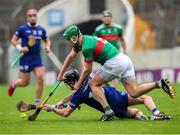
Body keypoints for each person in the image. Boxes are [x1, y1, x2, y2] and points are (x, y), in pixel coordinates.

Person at [57, 25, 175, 121]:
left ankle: (108, 111)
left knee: (93, 84)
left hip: (114, 62)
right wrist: (61, 73)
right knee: (133, 92)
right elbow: (70, 57)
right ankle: (159, 83)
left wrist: (78, 84)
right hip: (124, 60)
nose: (69, 43)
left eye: (69, 40)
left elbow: (87, 70)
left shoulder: (86, 47)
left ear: (74, 38)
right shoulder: (84, 40)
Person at [43, 69, 172, 121]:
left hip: (114, 110)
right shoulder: (88, 79)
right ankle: (156, 112)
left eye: (68, 82)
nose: (67, 85)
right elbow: (76, 92)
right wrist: (61, 101)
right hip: (116, 97)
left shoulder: (78, 96)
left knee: (133, 112)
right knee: (145, 98)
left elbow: (65, 113)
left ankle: (143, 116)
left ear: (72, 81)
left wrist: (53, 108)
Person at [8, 8, 51, 104]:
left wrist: (47, 47)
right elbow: (13, 40)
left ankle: (37, 102)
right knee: (25, 82)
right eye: (30, 16)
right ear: (27, 18)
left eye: (34, 15)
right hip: (25, 58)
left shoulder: (41, 30)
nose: (32, 18)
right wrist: (20, 48)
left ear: (37, 17)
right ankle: (14, 84)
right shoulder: (22, 29)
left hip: (37, 58)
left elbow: (47, 40)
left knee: (41, 78)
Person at [93, 10, 126, 87]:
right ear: (102, 19)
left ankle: (113, 90)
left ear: (111, 18)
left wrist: (125, 51)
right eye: (105, 17)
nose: (107, 18)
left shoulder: (118, 28)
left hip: (115, 55)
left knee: (113, 73)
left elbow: (122, 40)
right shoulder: (98, 30)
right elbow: (95, 42)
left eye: (108, 16)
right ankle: (110, 89)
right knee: (104, 73)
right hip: (104, 55)